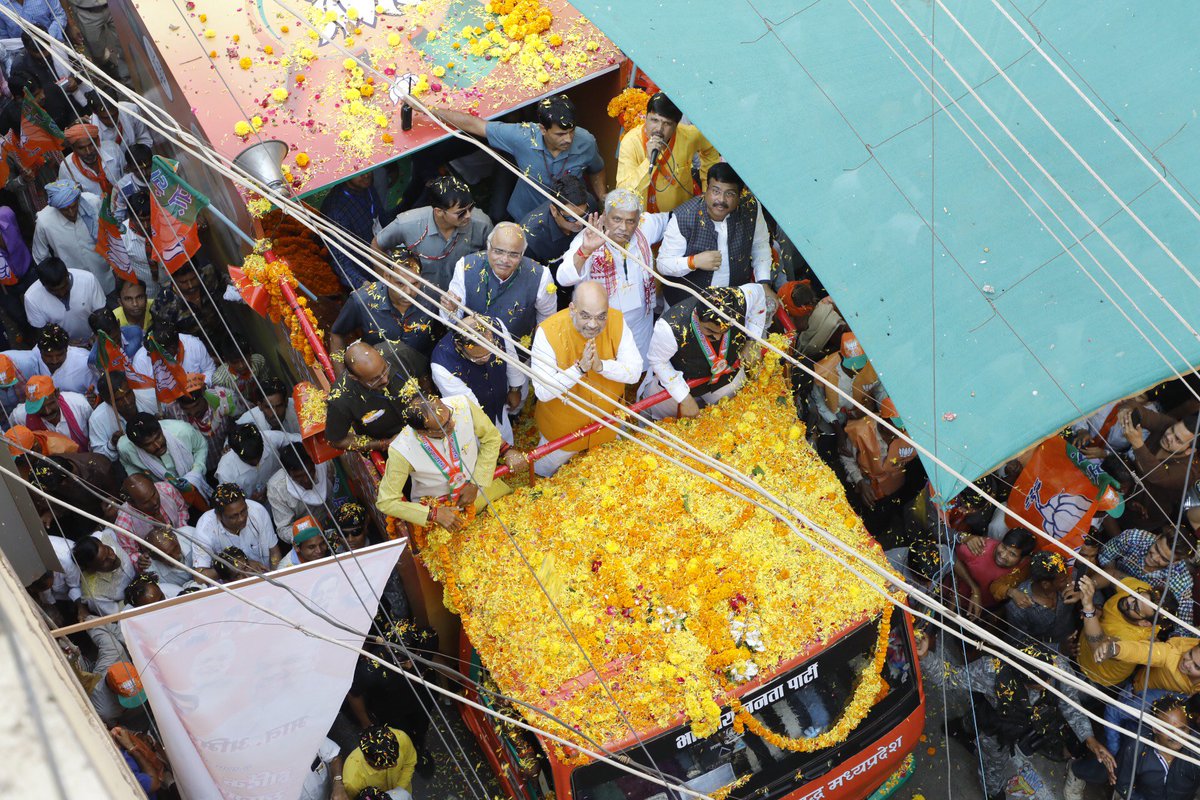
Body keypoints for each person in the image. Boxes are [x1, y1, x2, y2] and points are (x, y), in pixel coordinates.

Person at [922, 639, 1112, 800]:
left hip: (1025, 723)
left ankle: (964, 727)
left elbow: (1070, 705)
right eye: (1042, 683)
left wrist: (1090, 739)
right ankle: (993, 793)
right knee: (993, 767)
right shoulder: (992, 670)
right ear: (1024, 681)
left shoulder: (1057, 666)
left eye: (1049, 678)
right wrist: (924, 656)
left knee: (977, 720)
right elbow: (950, 677)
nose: (1049, 684)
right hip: (998, 727)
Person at [431, 94, 607, 220]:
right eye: (560, 134)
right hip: (527, 214)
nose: (568, 139)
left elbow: (597, 169)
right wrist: (429, 109)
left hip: (572, 216)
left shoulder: (586, 141)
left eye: (571, 132)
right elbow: (476, 125)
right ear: (543, 129)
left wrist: (602, 197)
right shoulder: (522, 136)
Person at [530, 281, 643, 477]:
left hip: (607, 426)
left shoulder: (617, 321)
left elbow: (635, 371)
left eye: (601, 317)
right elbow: (542, 391)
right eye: (585, 316)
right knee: (541, 472)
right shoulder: (548, 332)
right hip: (562, 433)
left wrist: (601, 367)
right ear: (572, 309)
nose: (593, 324)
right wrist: (579, 369)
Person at [559, 188, 671, 358]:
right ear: (604, 216)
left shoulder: (644, 227)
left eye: (630, 221)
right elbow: (563, 278)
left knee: (640, 367)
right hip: (601, 327)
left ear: (638, 220)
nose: (623, 227)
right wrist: (585, 251)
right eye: (617, 219)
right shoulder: (587, 239)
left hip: (640, 325)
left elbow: (672, 218)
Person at [376, 393, 509, 531]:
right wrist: (432, 514)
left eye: (450, 416)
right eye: (443, 427)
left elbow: (492, 438)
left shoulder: (461, 405)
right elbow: (386, 502)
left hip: (486, 491)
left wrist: (477, 484)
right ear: (423, 432)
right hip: (444, 517)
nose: (453, 424)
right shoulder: (402, 450)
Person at [641, 283, 771, 420]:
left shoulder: (740, 298)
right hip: (677, 384)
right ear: (697, 316)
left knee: (733, 415)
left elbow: (760, 295)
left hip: (725, 376)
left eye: (724, 331)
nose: (717, 337)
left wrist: (752, 340)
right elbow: (657, 361)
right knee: (657, 419)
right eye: (710, 330)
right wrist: (683, 397)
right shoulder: (670, 327)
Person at [656, 162, 772, 306]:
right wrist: (693, 262)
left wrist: (763, 282)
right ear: (707, 189)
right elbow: (663, 264)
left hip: (733, 303)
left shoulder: (751, 208)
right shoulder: (684, 216)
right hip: (685, 304)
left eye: (729, 194)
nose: (721, 200)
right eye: (715, 191)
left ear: (740, 195)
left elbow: (760, 246)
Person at [371, 175, 492, 299]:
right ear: (439, 211)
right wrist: (386, 285)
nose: (468, 215)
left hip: (465, 297)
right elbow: (377, 245)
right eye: (460, 213)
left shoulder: (482, 224)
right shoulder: (407, 223)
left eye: (470, 208)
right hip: (421, 299)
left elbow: (492, 259)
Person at [442, 221, 557, 342]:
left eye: (513, 254)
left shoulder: (541, 275)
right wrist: (451, 310)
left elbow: (547, 320)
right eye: (498, 251)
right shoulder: (465, 266)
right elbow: (450, 320)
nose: (504, 260)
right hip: (470, 345)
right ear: (488, 247)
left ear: (522, 253)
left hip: (516, 350)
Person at [1066, 694, 1187, 800]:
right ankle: (1077, 771)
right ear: (1155, 729)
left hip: (1150, 788)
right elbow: (1123, 785)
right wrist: (1113, 750)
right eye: (1169, 730)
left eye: (1182, 729)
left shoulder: (1191, 753)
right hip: (1125, 737)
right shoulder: (1137, 748)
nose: (1177, 736)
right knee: (1107, 765)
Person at [329, 247, 437, 365]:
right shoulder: (362, 301)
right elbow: (337, 334)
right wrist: (340, 373)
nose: (408, 292)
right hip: (378, 372)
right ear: (386, 277)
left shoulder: (432, 299)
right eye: (400, 283)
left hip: (420, 371)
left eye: (415, 283)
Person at [431, 314, 526, 447]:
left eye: (490, 353)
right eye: (478, 358)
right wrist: (503, 447)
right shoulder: (442, 366)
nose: (486, 359)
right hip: (473, 420)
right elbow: (472, 410)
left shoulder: (496, 326)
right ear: (459, 345)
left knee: (506, 434)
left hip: (499, 404)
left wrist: (515, 389)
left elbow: (511, 359)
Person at [616, 91, 720, 213]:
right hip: (642, 217)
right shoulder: (631, 142)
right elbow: (623, 193)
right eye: (654, 120)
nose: (659, 129)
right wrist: (649, 161)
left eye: (667, 124)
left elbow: (710, 147)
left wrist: (707, 188)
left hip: (680, 214)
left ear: (676, 125)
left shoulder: (688, 135)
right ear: (646, 117)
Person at [839, 396, 922, 535]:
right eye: (897, 426)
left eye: (903, 427)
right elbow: (847, 458)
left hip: (894, 486)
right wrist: (860, 482)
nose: (901, 431)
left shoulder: (913, 434)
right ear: (884, 420)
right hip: (866, 488)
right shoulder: (860, 431)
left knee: (883, 518)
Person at [324, 341, 427, 452]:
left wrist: (428, 404)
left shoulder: (400, 352)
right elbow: (337, 441)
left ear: (379, 353)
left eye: (385, 369)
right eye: (374, 379)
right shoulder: (341, 400)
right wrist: (384, 444)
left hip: (425, 424)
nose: (385, 380)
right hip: (392, 445)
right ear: (355, 378)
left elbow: (425, 377)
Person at [1118, 405, 1200, 525]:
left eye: (1177, 440)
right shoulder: (1169, 425)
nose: (1169, 436)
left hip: (1143, 514)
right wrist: (1127, 412)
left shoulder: (1190, 471)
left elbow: (1158, 475)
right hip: (1124, 487)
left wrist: (1138, 444)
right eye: (1172, 429)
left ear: (1190, 451)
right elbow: (1142, 413)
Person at [1096, 528, 1195, 626]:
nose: (1154, 557)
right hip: (1105, 587)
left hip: (1131, 621)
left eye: (1164, 559)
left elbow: (1184, 626)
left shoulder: (1182, 581)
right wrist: (1111, 579)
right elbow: (1105, 555)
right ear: (1158, 537)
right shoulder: (1135, 537)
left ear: (1176, 562)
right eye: (1156, 549)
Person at [32, 181, 112, 293]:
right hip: (75, 285)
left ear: (78, 199)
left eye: (74, 206)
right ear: (56, 207)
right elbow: (41, 257)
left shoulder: (93, 202)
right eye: (64, 209)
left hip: (105, 275)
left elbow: (111, 232)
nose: (71, 212)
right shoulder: (44, 221)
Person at [117, 412, 211, 508]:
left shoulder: (182, 431)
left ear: (161, 429)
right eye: (148, 444)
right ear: (138, 446)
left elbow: (201, 446)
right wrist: (144, 481)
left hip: (196, 487)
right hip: (164, 499)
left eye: (158, 437)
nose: (157, 445)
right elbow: (127, 463)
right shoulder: (125, 448)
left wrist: (196, 472)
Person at [193, 483, 279, 576]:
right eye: (233, 516)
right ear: (219, 516)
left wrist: (274, 576)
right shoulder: (205, 528)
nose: (241, 518)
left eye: (244, 511)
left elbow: (274, 552)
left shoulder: (258, 511)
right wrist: (238, 566)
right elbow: (200, 576)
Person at [161, 372, 237, 474]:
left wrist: (229, 443)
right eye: (187, 410)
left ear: (204, 396)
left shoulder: (222, 402)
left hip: (226, 462)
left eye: (196, 406)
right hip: (197, 469)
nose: (193, 413)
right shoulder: (172, 410)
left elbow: (233, 427)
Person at [322, 171, 387, 288]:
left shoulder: (366, 186)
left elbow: (382, 218)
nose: (366, 175)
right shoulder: (336, 212)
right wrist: (366, 285)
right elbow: (341, 261)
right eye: (359, 173)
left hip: (382, 256)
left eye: (367, 169)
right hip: (366, 273)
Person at [1005, 551, 1080, 652]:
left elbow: (1086, 582)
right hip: (1048, 654)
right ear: (1045, 584)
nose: (1069, 581)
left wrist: (1082, 594)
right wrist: (1058, 648)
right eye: (1063, 580)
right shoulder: (1017, 608)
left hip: (1075, 638)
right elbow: (1019, 643)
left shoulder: (1066, 581)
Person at [953, 528, 1037, 616]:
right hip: (955, 600)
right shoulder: (978, 548)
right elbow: (951, 557)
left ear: (1023, 559)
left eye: (1012, 554)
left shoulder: (1025, 566)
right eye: (1003, 547)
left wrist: (1012, 593)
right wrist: (957, 591)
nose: (1003, 555)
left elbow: (997, 587)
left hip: (987, 608)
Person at [23, 257, 106, 343]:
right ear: (43, 285)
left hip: (95, 339)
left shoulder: (88, 280)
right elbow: (41, 332)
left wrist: (97, 336)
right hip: (61, 347)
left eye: (64, 286)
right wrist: (65, 344)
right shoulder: (31, 298)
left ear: (67, 275)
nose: (61, 293)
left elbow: (101, 313)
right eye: (54, 291)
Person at [215, 422, 297, 503]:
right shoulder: (225, 472)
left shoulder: (268, 438)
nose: (257, 463)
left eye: (259, 457)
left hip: (285, 493)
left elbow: (298, 439)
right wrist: (250, 502)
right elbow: (230, 504)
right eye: (250, 462)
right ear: (236, 453)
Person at [266, 444, 331, 543]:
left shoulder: (324, 463)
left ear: (314, 464)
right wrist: (309, 535)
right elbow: (284, 529)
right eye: (299, 476)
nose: (306, 480)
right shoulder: (277, 488)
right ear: (288, 473)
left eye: (310, 472)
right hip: (307, 538)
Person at [518, 174, 589, 266]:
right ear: (554, 210)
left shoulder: (589, 205)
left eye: (583, 215)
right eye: (571, 218)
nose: (580, 223)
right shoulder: (531, 240)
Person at [114, 474, 188, 561]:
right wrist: (141, 559)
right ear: (132, 504)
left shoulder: (166, 489)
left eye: (154, 494)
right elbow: (131, 553)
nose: (154, 502)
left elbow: (181, 509)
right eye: (146, 502)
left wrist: (181, 532)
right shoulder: (124, 525)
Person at [12, 374, 91, 450]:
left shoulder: (80, 405)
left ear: (57, 393)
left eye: (51, 404)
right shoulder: (19, 417)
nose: (47, 411)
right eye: (40, 408)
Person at [342, 725, 418, 799]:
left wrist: (400, 790)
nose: (395, 765)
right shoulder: (352, 782)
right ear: (368, 761)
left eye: (395, 759)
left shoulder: (401, 737)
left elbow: (409, 764)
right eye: (386, 765)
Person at [132, 320, 216, 388]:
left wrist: (200, 385)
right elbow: (144, 394)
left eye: (153, 353)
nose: (148, 355)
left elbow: (209, 370)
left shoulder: (193, 345)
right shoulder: (141, 360)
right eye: (148, 351)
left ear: (172, 349)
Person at [72, 531, 138, 616]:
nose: (113, 557)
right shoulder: (95, 596)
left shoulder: (103, 536)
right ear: (91, 570)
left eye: (108, 549)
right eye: (104, 561)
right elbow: (118, 615)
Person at [58, 122, 121, 198]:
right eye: (81, 148)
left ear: (97, 141)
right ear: (73, 148)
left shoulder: (113, 150)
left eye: (91, 145)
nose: (88, 152)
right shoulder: (66, 168)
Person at [121, 191, 163, 297]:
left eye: (149, 219)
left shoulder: (166, 225)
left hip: (173, 284)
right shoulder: (121, 236)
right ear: (131, 218)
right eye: (140, 221)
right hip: (146, 294)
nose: (146, 225)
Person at [34, 322, 95, 394]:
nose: (54, 361)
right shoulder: (34, 355)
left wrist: (92, 398)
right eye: (48, 356)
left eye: (59, 355)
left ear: (66, 349)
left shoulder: (86, 364)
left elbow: (97, 394)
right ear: (40, 352)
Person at [236, 376, 301, 435]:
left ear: (286, 402)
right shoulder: (247, 422)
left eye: (279, 406)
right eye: (268, 407)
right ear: (260, 406)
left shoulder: (301, 409)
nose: (275, 412)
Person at [143, 527, 196, 596]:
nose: (175, 556)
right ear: (155, 558)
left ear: (176, 538)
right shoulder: (153, 575)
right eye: (168, 556)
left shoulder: (190, 535)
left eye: (175, 548)